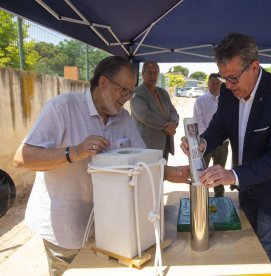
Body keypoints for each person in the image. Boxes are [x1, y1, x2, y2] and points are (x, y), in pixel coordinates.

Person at [13, 56, 189, 276]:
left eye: (131, 92)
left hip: (110, 227)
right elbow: (22, 157)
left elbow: (143, 161)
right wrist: (74, 152)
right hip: (65, 229)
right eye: (123, 90)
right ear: (103, 82)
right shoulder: (63, 108)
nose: (127, 98)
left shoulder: (123, 118)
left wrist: (172, 173)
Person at [181, 33, 271, 275]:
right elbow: (219, 126)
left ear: (254, 67)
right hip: (247, 185)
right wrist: (201, 144)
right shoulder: (229, 93)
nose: (227, 85)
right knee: (248, 244)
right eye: (223, 78)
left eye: (232, 78)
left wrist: (231, 175)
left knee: (267, 248)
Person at [130, 61, 179, 160]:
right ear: (143, 74)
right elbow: (144, 115)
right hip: (147, 146)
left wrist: (174, 122)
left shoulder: (163, 93)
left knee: (163, 173)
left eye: (155, 73)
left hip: (165, 143)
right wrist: (166, 127)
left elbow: (173, 111)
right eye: (149, 73)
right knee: (148, 174)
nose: (153, 76)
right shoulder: (137, 92)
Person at [193, 73, 229, 197]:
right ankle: (202, 195)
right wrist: (210, 137)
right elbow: (198, 120)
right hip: (205, 142)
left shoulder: (226, 100)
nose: (215, 86)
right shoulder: (200, 100)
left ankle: (219, 195)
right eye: (212, 83)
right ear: (208, 84)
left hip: (223, 143)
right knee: (204, 170)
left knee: (220, 169)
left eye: (218, 83)